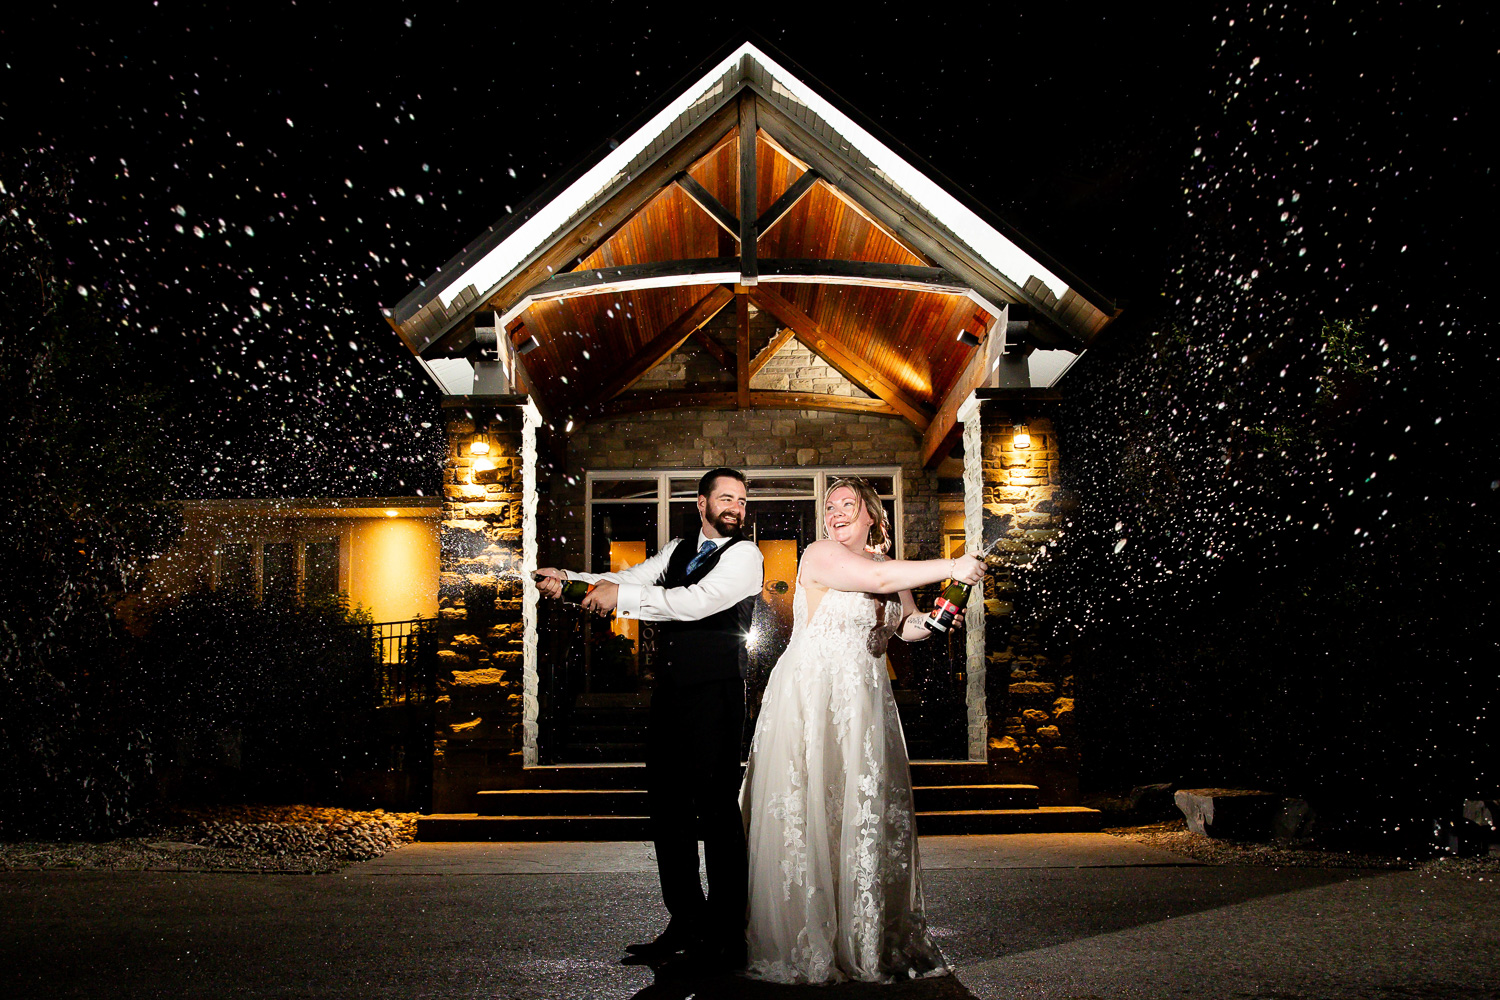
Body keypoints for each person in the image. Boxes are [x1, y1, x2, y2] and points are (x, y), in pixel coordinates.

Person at [739, 477, 985, 984]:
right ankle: (808, 937)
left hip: (865, 700)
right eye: (830, 505)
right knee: (812, 809)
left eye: (847, 504)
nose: (835, 511)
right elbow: (874, 580)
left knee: (858, 810)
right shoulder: (819, 554)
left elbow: (905, 626)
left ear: (872, 513)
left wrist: (938, 618)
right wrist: (952, 565)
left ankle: (864, 934)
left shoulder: (888, 566)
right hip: (814, 696)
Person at [536, 468, 764, 972]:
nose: (736, 508)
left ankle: (727, 934)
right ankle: (686, 922)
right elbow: (630, 578)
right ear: (701, 503)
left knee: (717, 812)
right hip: (671, 694)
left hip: (717, 694)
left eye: (742, 501)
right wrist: (570, 581)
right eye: (726, 498)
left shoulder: (746, 556)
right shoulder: (678, 549)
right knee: (668, 809)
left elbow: (694, 604)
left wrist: (623, 601)